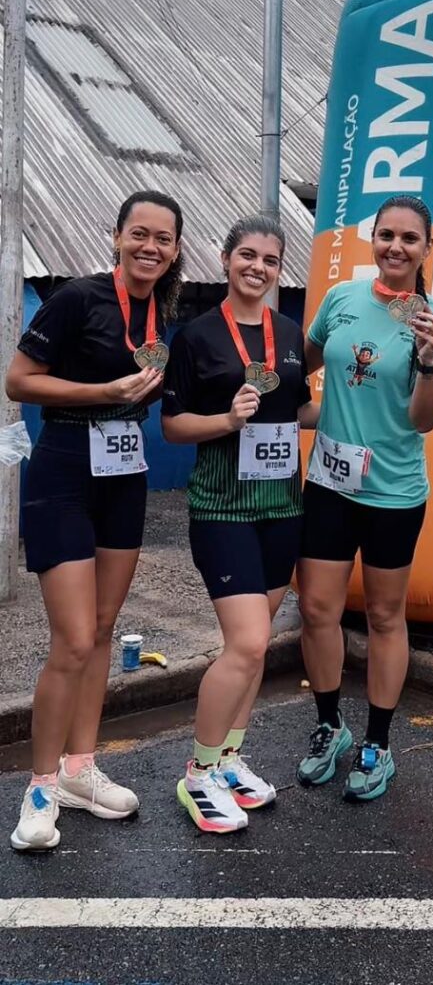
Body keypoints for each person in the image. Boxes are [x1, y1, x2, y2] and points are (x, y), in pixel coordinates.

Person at [5, 190, 184, 852]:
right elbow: (19, 380)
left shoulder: (160, 312)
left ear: (175, 251)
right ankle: (40, 787)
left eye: (163, 239)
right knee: (74, 639)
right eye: (140, 233)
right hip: (64, 472)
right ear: (117, 237)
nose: (150, 247)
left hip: (124, 476)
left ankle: (80, 769)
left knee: (104, 627)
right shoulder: (78, 297)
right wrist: (102, 392)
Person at [296, 194, 433, 801]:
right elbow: (300, 363)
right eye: (387, 235)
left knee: (386, 616)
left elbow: (425, 419)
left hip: (393, 491)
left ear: (426, 248)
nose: (396, 246)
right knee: (318, 609)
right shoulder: (341, 299)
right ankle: (329, 726)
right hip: (329, 483)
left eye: (409, 238)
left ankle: (378, 743)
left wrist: (428, 361)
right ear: (374, 239)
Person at [162, 215, 317, 834]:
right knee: (248, 644)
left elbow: (299, 409)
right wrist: (227, 421)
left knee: (255, 649)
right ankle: (198, 773)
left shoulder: (289, 333)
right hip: (222, 508)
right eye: (248, 255)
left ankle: (228, 757)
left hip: (283, 507)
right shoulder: (197, 336)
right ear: (226, 260)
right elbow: (173, 426)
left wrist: (364, 401)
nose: (258, 267)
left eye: (270, 260)